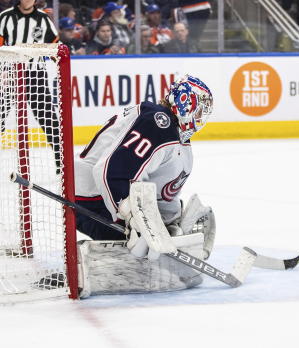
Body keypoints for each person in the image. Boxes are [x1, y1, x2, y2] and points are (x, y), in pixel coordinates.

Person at [71, 75, 216, 297]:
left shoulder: (180, 145)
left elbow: (157, 195)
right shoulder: (158, 122)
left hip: (106, 198)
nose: (202, 118)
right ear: (185, 103)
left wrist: (172, 226)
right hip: (89, 197)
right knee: (143, 253)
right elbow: (109, 172)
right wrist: (133, 221)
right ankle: (85, 269)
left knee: (154, 247)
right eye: (199, 110)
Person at [0, 0, 61, 168]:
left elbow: (55, 46)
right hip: (10, 74)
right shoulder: (6, 17)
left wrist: (59, 59)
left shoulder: (43, 19)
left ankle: (61, 161)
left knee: (48, 118)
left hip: (35, 75)